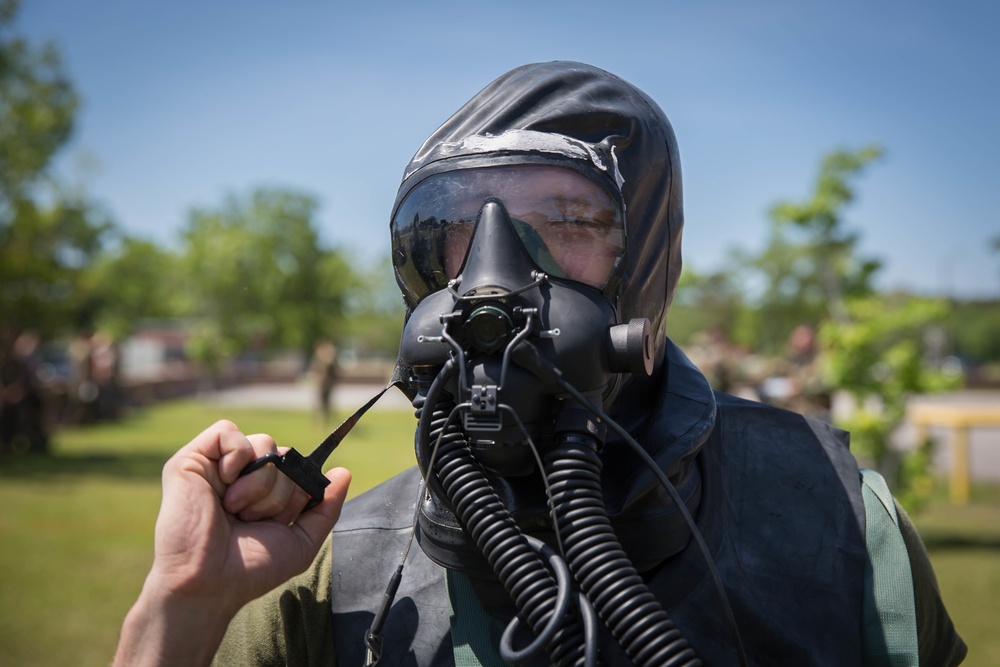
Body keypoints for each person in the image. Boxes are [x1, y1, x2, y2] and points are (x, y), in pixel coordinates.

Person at [115, 62, 966, 666]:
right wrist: (182, 604)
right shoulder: (338, 567)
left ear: (647, 268)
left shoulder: (840, 519)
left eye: (566, 222)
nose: (493, 275)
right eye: (455, 230)